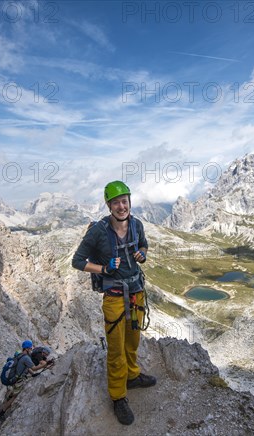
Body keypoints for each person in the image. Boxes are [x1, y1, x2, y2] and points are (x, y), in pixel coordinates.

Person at [72, 180, 156, 426]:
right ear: (109, 205)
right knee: (116, 348)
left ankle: (132, 375)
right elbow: (77, 261)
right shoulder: (98, 231)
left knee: (133, 339)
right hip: (115, 297)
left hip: (136, 292)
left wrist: (143, 253)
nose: (122, 206)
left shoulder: (136, 224)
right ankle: (118, 395)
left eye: (124, 201)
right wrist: (104, 269)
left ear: (129, 202)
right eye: (116, 202)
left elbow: (143, 244)